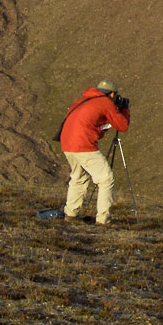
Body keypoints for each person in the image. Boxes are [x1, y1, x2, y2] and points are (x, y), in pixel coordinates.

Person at [57, 80, 131, 225]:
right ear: (112, 94)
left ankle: (70, 215)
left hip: (67, 143)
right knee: (106, 179)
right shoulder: (105, 103)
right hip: (83, 144)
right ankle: (103, 219)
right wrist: (124, 110)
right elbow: (122, 125)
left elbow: (93, 125)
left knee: (78, 178)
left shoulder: (83, 100)